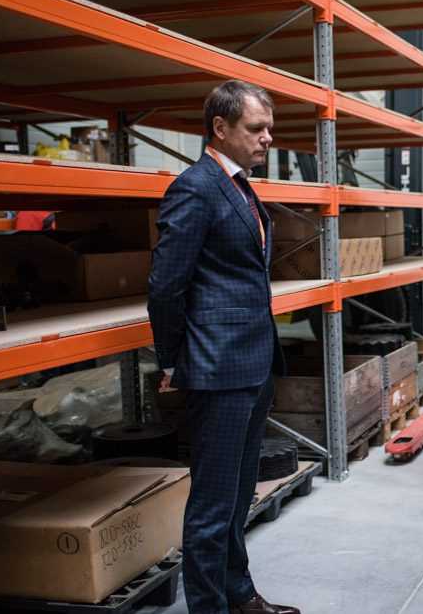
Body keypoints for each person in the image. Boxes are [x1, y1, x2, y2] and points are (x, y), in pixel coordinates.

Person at [148, 80, 297, 614]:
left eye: (269, 128)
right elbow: (166, 286)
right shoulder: (196, 188)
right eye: (256, 128)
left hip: (252, 362)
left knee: (237, 497)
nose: (268, 138)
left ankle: (240, 595)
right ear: (220, 128)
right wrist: (172, 359)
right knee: (212, 506)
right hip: (217, 368)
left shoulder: (239, 186)